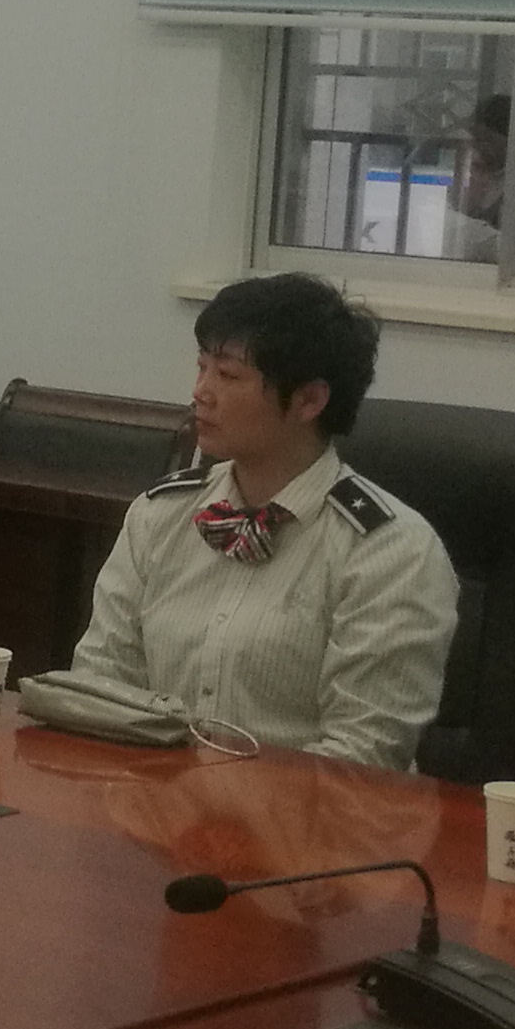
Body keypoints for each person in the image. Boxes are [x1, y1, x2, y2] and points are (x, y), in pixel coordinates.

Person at [62, 272, 457, 769]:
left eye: (228, 376)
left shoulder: (391, 550)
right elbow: (99, 689)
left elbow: (362, 756)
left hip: (310, 813)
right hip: (152, 802)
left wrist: (206, 795)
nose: (200, 392)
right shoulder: (160, 514)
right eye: (201, 367)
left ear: (309, 400)